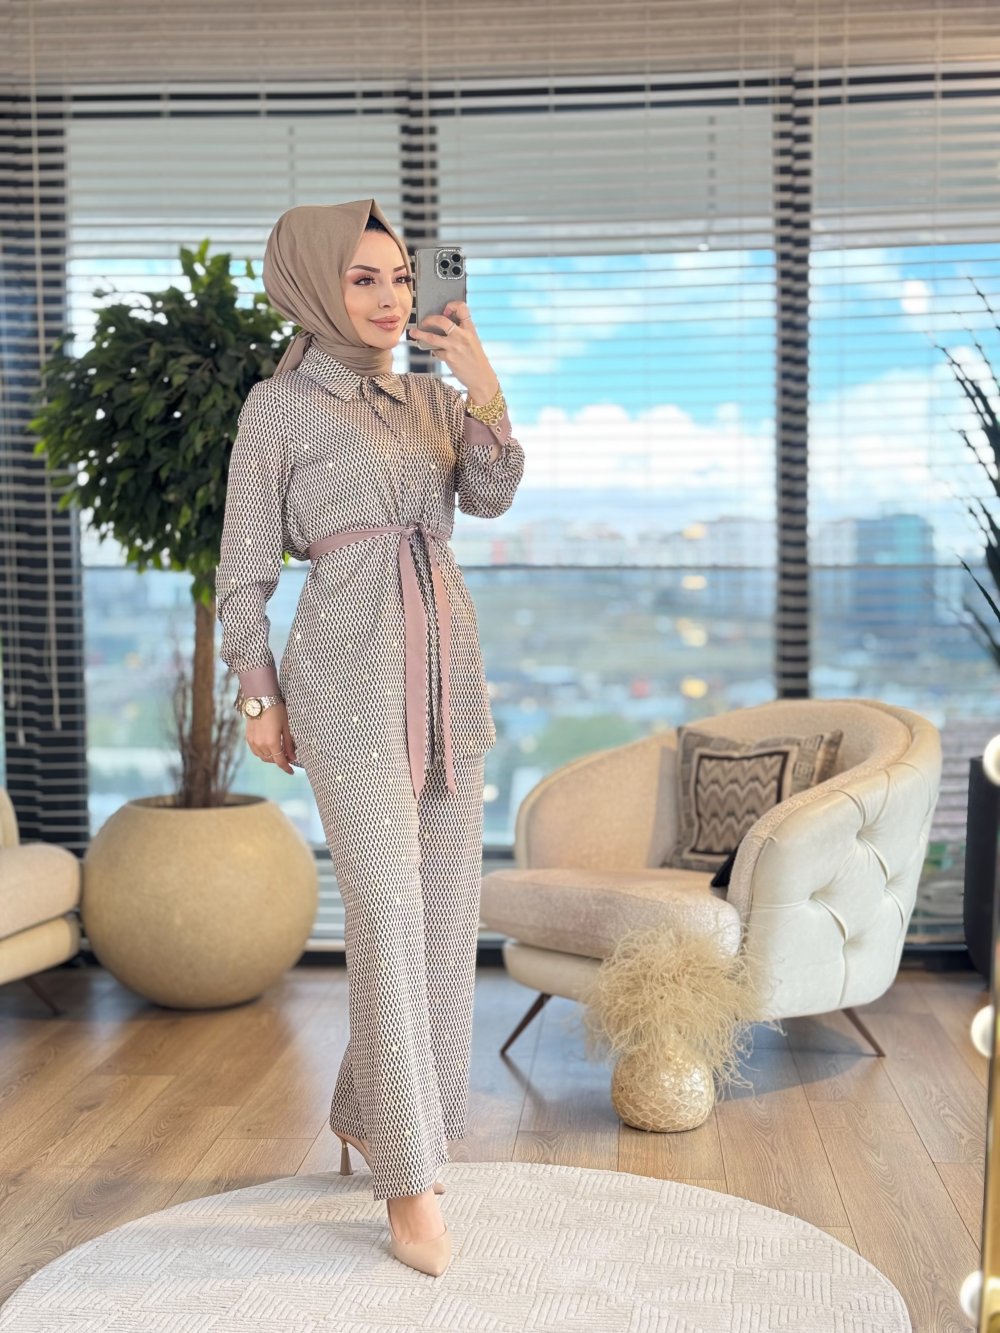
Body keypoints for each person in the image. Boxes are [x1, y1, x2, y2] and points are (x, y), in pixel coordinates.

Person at [214, 198, 525, 1278]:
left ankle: (375, 1112)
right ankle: (407, 1179)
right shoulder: (278, 407)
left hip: (447, 673)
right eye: (363, 278)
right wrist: (260, 697)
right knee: (388, 917)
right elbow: (242, 570)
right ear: (313, 283)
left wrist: (482, 384)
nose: (391, 298)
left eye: (401, 277)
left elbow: (490, 495)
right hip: (343, 681)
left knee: (444, 918)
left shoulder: (435, 398)